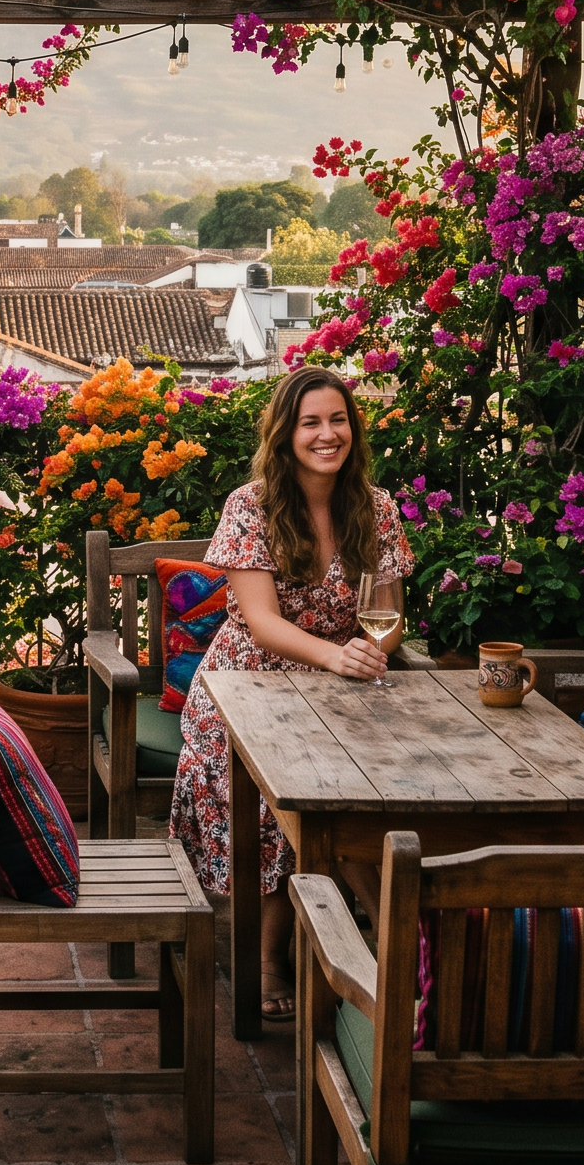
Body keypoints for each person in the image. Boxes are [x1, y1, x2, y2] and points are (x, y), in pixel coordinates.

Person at [167, 365, 412, 1020]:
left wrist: (370, 651)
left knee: (378, 789)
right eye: (311, 423)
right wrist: (339, 656)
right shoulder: (252, 505)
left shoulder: (377, 508)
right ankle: (280, 958)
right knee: (285, 803)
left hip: (339, 689)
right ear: (286, 433)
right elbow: (264, 623)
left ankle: (388, 945)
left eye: (338, 420)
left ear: (353, 431)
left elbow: (387, 618)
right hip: (245, 690)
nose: (326, 434)